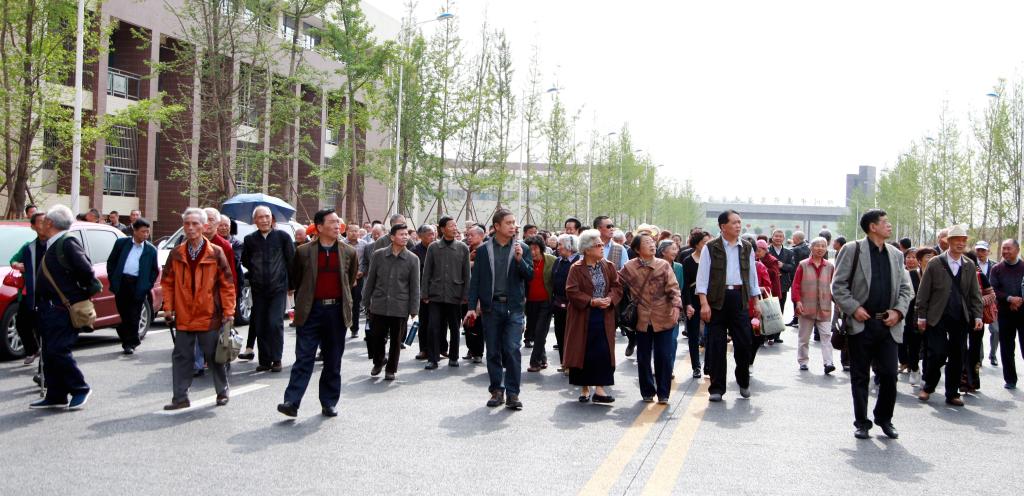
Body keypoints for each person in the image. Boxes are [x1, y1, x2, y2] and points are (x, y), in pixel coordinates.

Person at [832, 209, 913, 439]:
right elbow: (838, 286)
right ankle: (861, 422)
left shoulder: (896, 254)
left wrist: (898, 311)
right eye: (885, 222)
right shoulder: (852, 249)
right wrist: (854, 308)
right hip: (861, 324)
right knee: (860, 376)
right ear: (872, 227)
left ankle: (884, 418)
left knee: (889, 374)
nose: (889, 225)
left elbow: (906, 289)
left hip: (888, 324)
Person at [277, 209, 357, 418]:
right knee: (304, 358)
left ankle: (329, 402)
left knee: (333, 360)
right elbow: (296, 278)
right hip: (311, 310)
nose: (337, 226)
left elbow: (349, 280)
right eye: (332, 222)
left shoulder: (349, 252)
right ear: (319, 227)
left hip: (336, 311)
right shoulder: (303, 252)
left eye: (338, 222)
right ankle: (291, 402)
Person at [160, 208, 236, 410]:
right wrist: (168, 307)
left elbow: (227, 285)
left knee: (214, 355)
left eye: (195, 224)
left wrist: (229, 312)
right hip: (184, 314)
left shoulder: (216, 252)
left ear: (204, 226)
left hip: (209, 314)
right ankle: (180, 398)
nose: (191, 228)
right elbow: (167, 282)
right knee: (181, 357)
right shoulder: (176, 253)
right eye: (187, 224)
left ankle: (222, 391)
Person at [28, 205, 101, 410]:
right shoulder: (54, 243)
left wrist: (75, 296)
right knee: (49, 352)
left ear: (50, 223)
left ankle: (80, 388)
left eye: (44, 220)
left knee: (58, 350)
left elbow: (87, 272)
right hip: (49, 307)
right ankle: (56, 394)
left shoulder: (67, 242)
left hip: (62, 308)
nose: (41, 224)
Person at [465, 209, 533, 410]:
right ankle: (496, 390)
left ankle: (513, 393)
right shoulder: (484, 250)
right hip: (491, 307)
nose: (513, 226)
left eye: (514, 223)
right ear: (496, 226)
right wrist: (471, 307)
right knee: (493, 351)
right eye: (508, 223)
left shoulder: (522, 248)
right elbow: (475, 281)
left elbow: (529, 276)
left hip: (514, 308)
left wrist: (520, 260)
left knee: (512, 349)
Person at [696, 211, 761, 402]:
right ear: (723, 226)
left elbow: (752, 276)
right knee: (716, 345)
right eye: (734, 222)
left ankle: (743, 381)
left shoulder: (746, 247)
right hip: (717, 300)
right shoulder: (711, 247)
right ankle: (717, 388)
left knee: (744, 343)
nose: (738, 225)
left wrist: (757, 301)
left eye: (739, 222)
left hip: (739, 298)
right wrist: (704, 303)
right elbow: (702, 278)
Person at [915, 225, 983, 406]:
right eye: (956, 240)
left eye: (963, 240)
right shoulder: (935, 263)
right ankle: (928, 386)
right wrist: (921, 316)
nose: (960, 243)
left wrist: (978, 316)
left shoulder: (969, 265)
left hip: (960, 316)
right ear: (949, 242)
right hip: (937, 315)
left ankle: (952, 393)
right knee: (937, 353)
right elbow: (923, 292)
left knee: (958, 355)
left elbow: (975, 294)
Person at [620, 233, 682, 404]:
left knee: (664, 356)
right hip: (642, 318)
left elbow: (674, 288)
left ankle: (663, 393)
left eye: (653, 242)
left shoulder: (663, 265)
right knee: (643, 357)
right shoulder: (629, 267)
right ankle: (647, 391)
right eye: (647, 243)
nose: (652, 245)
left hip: (664, 316)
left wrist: (676, 306)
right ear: (637, 249)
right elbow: (617, 285)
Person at [564, 229, 623, 404]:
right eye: (598, 245)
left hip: (604, 314)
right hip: (584, 314)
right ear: (587, 250)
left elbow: (617, 287)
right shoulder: (576, 268)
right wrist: (591, 301)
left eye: (602, 244)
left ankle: (600, 389)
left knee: (603, 351)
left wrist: (609, 299)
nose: (602, 247)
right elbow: (571, 291)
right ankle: (584, 388)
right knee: (584, 350)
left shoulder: (608, 265)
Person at [241, 206, 295, 373]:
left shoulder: (283, 237)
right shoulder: (250, 240)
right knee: (260, 324)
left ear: (272, 219)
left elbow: (291, 261)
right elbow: (245, 261)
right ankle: (264, 360)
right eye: (261, 217)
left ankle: (276, 358)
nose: (264, 220)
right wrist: (256, 273)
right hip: (258, 289)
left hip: (278, 288)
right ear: (255, 221)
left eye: (267, 216)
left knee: (274, 323)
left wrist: (291, 286)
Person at [362, 224, 420, 381]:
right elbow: (371, 280)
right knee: (377, 337)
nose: (405, 237)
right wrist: (365, 301)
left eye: (406, 234)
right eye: (401, 234)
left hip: (400, 305)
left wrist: (414, 308)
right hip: (379, 304)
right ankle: (378, 361)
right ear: (392, 237)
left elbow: (415, 286)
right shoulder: (379, 255)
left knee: (396, 341)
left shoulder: (412, 259)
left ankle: (391, 369)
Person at [421, 216, 471, 369]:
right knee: (433, 327)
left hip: (455, 294)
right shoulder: (433, 247)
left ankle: (454, 357)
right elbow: (427, 272)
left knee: (455, 327)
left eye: (455, 225)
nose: (455, 228)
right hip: (436, 294)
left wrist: (466, 295)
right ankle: (433, 358)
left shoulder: (463, 248)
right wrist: (425, 293)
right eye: (451, 226)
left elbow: (466, 274)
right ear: (442, 229)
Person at [106, 217, 159, 354]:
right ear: (134, 231)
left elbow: (154, 270)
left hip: (138, 284)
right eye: (143, 231)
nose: (146, 234)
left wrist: (147, 285)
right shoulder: (121, 243)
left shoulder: (151, 250)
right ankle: (127, 339)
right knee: (124, 314)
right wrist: (113, 278)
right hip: (122, 283)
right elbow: (111, 262)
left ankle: (130, 343)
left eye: (147, 232)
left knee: (134, 315)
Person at [791, 237, 835, 374]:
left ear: (826, 249)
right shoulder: (803, 265)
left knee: (826, 336)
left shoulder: (830, 266)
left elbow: (834, 286)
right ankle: (803, 361)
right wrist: (797, 301)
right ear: (811, 247)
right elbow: (796, 285)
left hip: (824, 306)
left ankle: (828, 362)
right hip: (806, 306)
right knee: (804, 338)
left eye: (823, 246)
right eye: (817, 246)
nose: (820, 248)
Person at [10, 212, 49, 368]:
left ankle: (44, 368)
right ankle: (33, 350)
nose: (44, 224)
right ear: (33, 226)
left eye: (46, 221)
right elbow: (13, 260)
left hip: (49, 295)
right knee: (22, 324)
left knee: (44, 330)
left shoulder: (55, 245)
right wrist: (17, 265)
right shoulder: (29, 247)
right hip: (30, 294)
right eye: (40, 222)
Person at [990, 239, 1024, 389]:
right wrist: (1009, 299)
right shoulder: (996, 269)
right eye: (1003, 248)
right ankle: (1010, 379)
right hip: (1005, 313)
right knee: (1006, 347)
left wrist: (1019, 300)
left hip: (1023, 313)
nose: (1005, 251)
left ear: (1017, 249)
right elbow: (993, 290)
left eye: (1008, 248)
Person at [682, 230, 711, 378]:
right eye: (704, 242)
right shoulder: (688, 260)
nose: (707, 245)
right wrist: (687, 304)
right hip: (693, 301)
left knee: (711, 334)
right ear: (696, 244)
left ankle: (708, 365)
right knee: (693, 335)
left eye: (709, 242)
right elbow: (685, 285)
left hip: (710, 300)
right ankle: (696, 367)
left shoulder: (713, 259)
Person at [524, 236, 556, 370]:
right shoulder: (525, 261)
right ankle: (543, 359)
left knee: (540, 332)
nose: (533, 252)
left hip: (546, 302)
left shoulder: (551, 260)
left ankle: (535, 362)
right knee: (535, 332)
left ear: (541, 248)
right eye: (530, 249)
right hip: (530, 303)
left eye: (535, 248)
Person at [551, 233, 580, 371]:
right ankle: (564, 363)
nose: (558, 247)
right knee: (560, 332)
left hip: (574, 305)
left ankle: (573, 364)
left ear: (570, 246)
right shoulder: (558, 261)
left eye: (560, 245)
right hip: (558, 304)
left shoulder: (579, 262)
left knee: (573, 335)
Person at [899, 248, 927, 387]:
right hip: (911, 314)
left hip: (929, 315)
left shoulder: (934, 273)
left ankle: (926, 374)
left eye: (913, 257)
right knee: (912, 343)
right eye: (908, 257)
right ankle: (913, 367)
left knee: (928, 346)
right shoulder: (908, 274)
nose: (911, 260)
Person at [657, 239, 685, 368]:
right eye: (673, 249)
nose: (676, 251)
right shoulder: (655, 265)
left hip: (673, 308)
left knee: (672, 339)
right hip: (657, 309)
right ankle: (658, 366)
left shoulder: (679, 267)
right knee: (658, 341)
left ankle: (669, 367)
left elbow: (681, 288)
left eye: (676, 249)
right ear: (663, 252)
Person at [462, 225, 487, 363]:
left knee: (477, 324)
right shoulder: (465, 249)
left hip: (479, 293)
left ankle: (478, 352)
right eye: (467, 235)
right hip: (465, 293)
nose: (469, 238)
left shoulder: (486, 251)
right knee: (467, 323)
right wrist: (468, 259)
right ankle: (471, 349)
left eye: (472, 235)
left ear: (481, 236)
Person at [412, 224, 436, 360]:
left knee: (439, 322)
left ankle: (439, 349)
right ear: (420, 236)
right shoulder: (415, 251)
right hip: (422, 291)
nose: (432, 237)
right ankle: (424, 349)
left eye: (433, 233)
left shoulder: (438, 248)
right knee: (424, 321)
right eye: (429, 234)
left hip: (438, 290)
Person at [755, 239, 784, 345]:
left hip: (771, 290)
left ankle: (773, 335)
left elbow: (775, 273)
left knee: (770, 313)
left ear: (765, 250)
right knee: (760, 314)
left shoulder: (772, 260)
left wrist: (762, 268)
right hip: (759, 290)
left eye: (759, 251)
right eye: (756, 251)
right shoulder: (755, 259)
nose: (757, 253)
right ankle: (761, 336)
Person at [975, 241, 999, 366]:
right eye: (978, 250)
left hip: (992, 303)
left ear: (988, 251)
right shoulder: (972, 265)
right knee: (978, 330)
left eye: (983, 250)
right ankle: (979, 358)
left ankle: (993, 355)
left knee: (995, 330)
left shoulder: (995, 266)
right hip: (977, 304)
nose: (980, 253)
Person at [343, 223, 368, 338]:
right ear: (347, 232)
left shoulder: (364, 245)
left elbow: (366, 261)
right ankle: (343, 327)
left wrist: (362, 271)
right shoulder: (341, 244)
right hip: (345, 278)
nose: (354, 233)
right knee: (344, 303)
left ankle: (355, 329)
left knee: (356, 303)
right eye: (351, 231)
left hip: (359, 278)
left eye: (356, 231)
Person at [769, 229, 796, 330]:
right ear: (772, 237)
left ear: (784, 238)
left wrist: (782, 265)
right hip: (769, 285)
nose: (778, 238)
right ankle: (767, 333)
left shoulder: (789, 252)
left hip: (783, 285)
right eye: (776, 236)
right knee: (768, 309)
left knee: (780, 308)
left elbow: (792, 267)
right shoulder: (766, 251)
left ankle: (777, 333)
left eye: (780, 236)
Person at [788, 231, 810, 327]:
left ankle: (796, 319)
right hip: (808, 276)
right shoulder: (808, 247)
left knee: (796, 298)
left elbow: (793, 265)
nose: (792, 239)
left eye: (793, 238)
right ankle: (800, 318)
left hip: (796, 276)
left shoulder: (795, 250)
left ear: (796, 239)